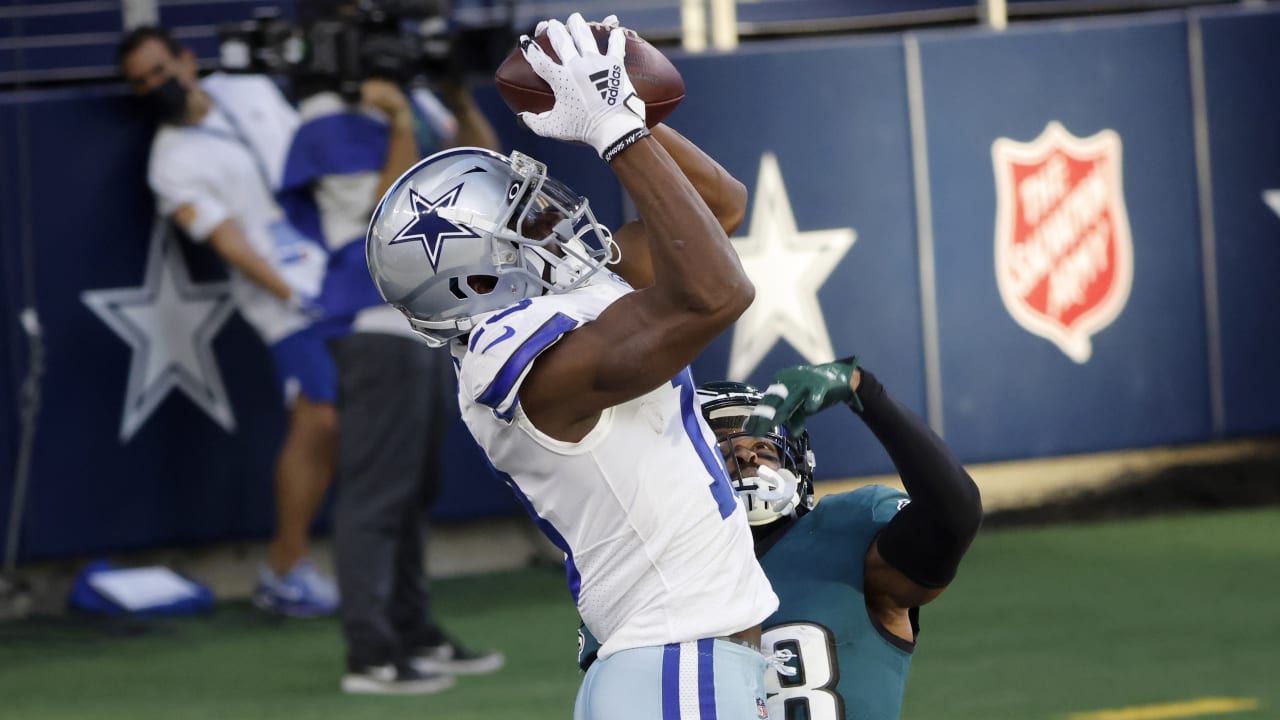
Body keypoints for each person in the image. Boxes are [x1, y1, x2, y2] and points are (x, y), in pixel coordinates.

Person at [365, 12, 779, 718]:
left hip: (684, 664)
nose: (554, 218)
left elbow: (720, 209)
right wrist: (617, 133)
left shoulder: (571, 294)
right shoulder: (515, 360)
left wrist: (612, 103)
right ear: (474, 277)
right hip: (673, 666)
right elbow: (717, 294)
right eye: (525, 221)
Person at [277, 49, 505, 693]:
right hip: (370, 317)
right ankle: (371, 653)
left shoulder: (416, 102)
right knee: (378, 490)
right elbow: (393, 219)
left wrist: (456, 103)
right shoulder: (327, 116)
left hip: (424, 319)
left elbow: (489, 178)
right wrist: (402, 121)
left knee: (412, 486)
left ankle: (411, 630)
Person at [578, 360, 984, 719]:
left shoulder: (847, 534)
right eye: (724, 448)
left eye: (762, 446)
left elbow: (954, 515)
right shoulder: (639, 570)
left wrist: (868, 392)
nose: (748, 457)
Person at [118, 26, 340, 617]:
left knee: (369, 411)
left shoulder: (247, 89)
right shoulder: (169, 163)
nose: (153, 87)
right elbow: (230, 241)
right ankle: (286, 567)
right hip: (286, 302)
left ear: (187, 62)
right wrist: (292, 293)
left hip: (341, 264)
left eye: (160, 72)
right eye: (140, 83)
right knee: (318, 416)